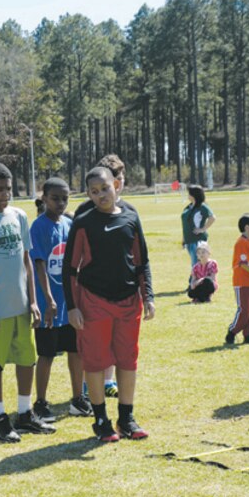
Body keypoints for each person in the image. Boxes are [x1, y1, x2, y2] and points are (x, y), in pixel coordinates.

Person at [64, 166, 155, 442]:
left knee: (128, 359)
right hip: (93, 301)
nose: (101, 195)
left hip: (129, 302)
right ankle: (101, 419)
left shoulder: (130, 216)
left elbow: (142, 261)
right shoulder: (83, 222)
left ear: (116, 185)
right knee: (95, 361)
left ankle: (126, 418)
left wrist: (148, 295)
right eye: (94, 191)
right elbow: (70, 268)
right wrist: (72, 306)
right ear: (88, 194)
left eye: (105, 188)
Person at [0, 162, 54, 441]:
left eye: (9, 189)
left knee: (27, 359)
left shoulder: (19, 216)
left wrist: (33, 301)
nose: (6, 194)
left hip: (21, 306)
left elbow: (27, 261)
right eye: (0, 189)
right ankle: (0, 417)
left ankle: (25, 413)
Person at [74, 154, 135, 399]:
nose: (118, 183)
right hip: (91, 292)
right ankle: (89, 384)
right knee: (92, 344)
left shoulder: (129, 211)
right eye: (116, 177)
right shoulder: (85, 212)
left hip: (121, 293)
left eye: (120, 178)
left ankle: (107, 381)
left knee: (117, 343)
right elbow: (75, 256)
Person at [30, 177, 88, 421]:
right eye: (55, 198)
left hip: (70, 304)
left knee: (76, 351)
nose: (61, 203)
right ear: (44, 198)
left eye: (65, 198)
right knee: (47, 354)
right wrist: (49, 300)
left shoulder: (69, 224)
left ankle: (78, 399)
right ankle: (41, 403)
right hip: (49, 306)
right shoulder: (38, 226)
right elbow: (40, 265)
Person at [225, 214, 249, 345]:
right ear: (247, 227)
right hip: (242, 282)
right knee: (244, 310)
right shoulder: (241, 243)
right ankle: (232, 331)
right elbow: (243, 264)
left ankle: (248, 334)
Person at [181, 185, 216, 268]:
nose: (187, 195)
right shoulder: (188, 207)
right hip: (189, 240)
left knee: (197, 265)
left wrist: (202, 229)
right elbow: (185, 224)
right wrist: (183, 239)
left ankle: (196, 280)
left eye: (189, 193)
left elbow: (212, 217)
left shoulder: (202, 207)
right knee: (195, 264)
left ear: (194, 195)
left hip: (197, 241)